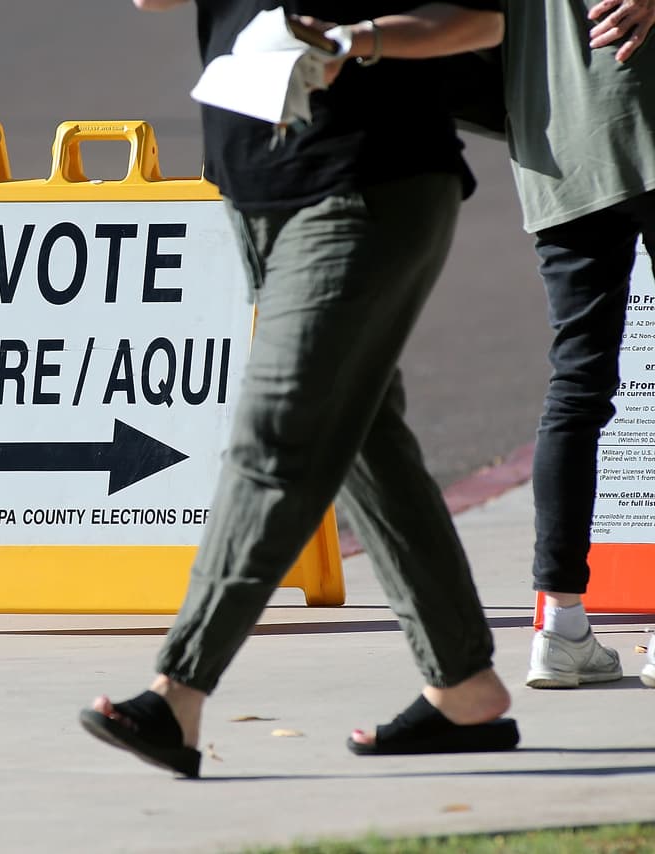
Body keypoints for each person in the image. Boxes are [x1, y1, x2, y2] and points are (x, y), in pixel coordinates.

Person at [79, 0, 515, 778]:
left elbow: (482, 20)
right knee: (366, 450)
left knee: (277, 435)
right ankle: (463, 687)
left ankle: (176, 692)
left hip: (368, 183)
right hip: (259, 200)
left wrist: (361, 40)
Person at [503, 0, 655, 690]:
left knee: (577, 385)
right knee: (578, 386)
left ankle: (561, 626)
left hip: (556, 142)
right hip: (641, 110)